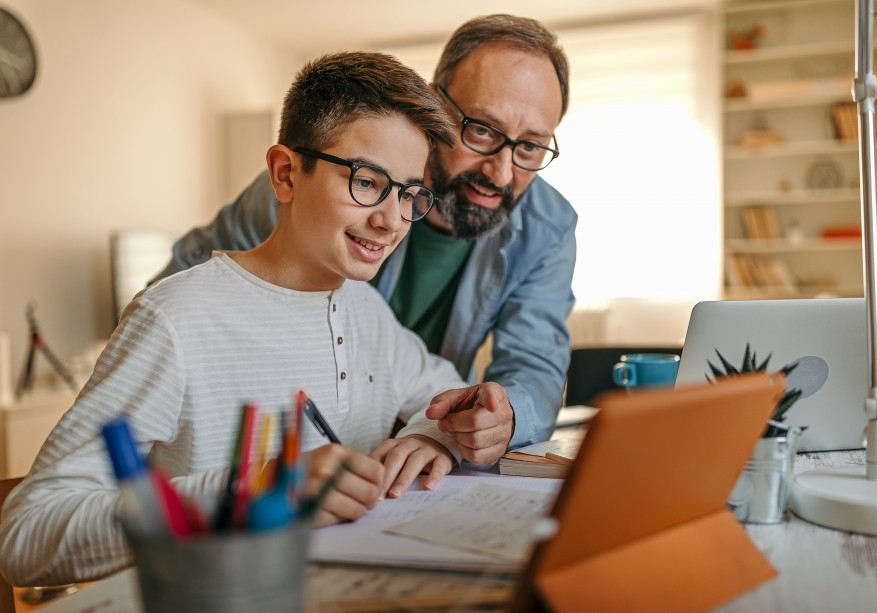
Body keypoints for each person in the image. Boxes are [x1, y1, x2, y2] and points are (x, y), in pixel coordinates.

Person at [0, 51, 512, 586]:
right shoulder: (175, 320)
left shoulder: (365, 309)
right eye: (366, 181)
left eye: (409, 193)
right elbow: (26, 536)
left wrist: (436, 436)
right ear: (285, 174)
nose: (389, 220)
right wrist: (254, 493)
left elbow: (451, 395)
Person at [153, 14, 577, 466]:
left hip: (415, 442)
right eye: (482, 131)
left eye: (531, 146)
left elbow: (532, 367)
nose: (502, 172)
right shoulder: (313, 182)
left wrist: (486, 422)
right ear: (436, 105)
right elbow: (195, 289)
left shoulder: (548, 228)